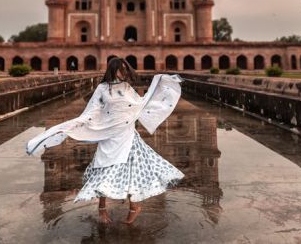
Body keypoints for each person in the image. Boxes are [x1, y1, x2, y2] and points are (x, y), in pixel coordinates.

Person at [26, 57, 184, 225]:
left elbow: (140, 104)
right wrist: (74, 125)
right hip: (109, 135)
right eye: (120, 69)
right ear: (112, 69)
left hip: (127, 135)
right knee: (102, 170)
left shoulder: (127, 87)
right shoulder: (102, 89)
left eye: (125, 70)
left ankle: (134, 207)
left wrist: (159, 83)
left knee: (131, 171)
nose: (124, 73)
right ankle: (102, 208)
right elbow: (91, 111)